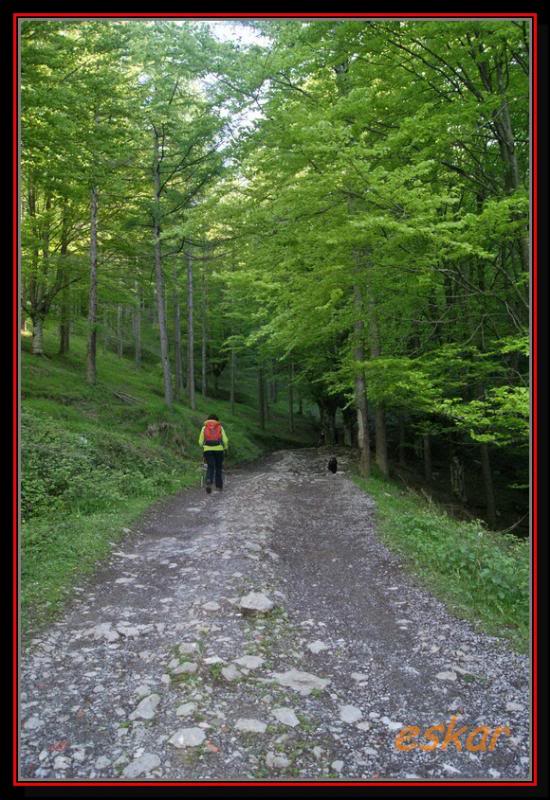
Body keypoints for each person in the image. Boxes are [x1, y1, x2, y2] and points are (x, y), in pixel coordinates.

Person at [198, 413, 229, 494]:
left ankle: (209, 480)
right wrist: (225, 448)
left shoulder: (204, 427)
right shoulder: (220, 427)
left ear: (208, 420)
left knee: (210, 466)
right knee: (218, 467)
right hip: (219, 449)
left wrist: (204, 446)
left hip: (207, 450)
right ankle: (219, 486)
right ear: (217, 420)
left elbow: (200, 442)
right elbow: (225, 440)